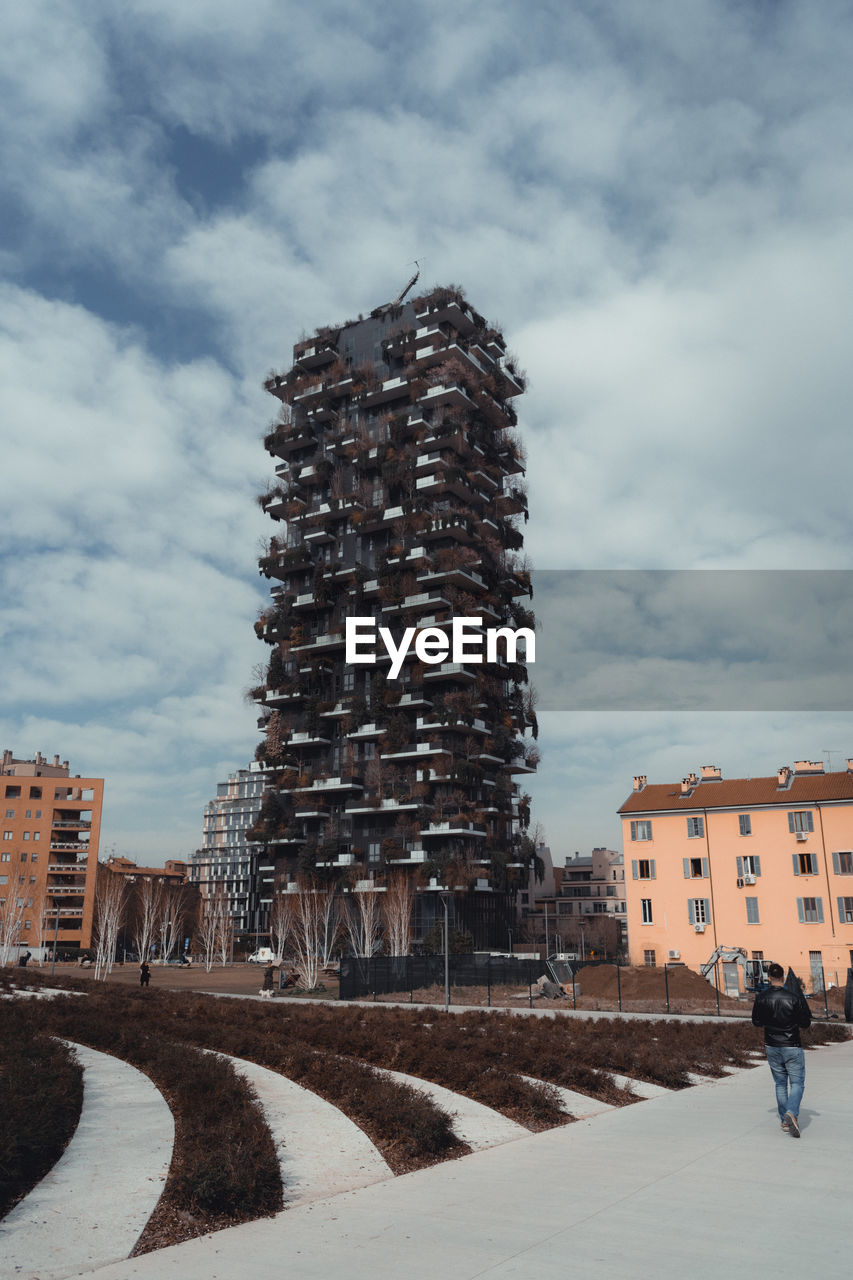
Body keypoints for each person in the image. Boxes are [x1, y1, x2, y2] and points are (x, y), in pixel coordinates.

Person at [751, 961, 811, 1137]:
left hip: (772, 1045)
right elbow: (805, 1023)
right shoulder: (793, 998)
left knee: (780, 1083)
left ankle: (785, 1122)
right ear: (783, 977)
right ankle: (791, 1112)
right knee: (798, 1083)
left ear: (769, 978)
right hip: (792, 1045)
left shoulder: (761, 998)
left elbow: (756, 1022)